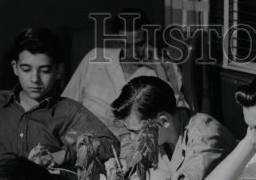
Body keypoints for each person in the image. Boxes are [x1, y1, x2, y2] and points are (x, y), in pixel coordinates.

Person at [0, 27, 119, 168]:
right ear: (15, 68)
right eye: (26, 69)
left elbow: (110, 145)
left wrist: (63, 155)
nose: (35, 79)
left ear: (58, 71)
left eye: (44, 71)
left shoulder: (69, 111)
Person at [62, 8, 188, 144]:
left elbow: (178, 115)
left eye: (139, 44)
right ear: (117, 39)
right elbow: (66, 103)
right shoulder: (95, 58)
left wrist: (158, 66)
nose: (133, 52)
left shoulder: (161, 69)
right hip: (80, 139)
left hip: (127, 148)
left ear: (148, 37)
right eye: (127, 45)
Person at [110, 75, 235, 180]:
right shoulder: (163, 130)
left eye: (136, 132)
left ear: (164, 121)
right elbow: (133, 149)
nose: (133, 137)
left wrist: (157, 178)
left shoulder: (205, 136)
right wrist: (124, 162)